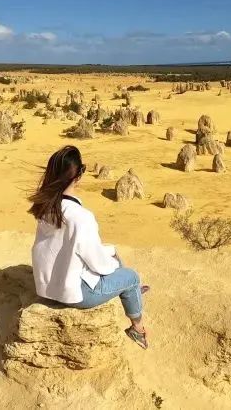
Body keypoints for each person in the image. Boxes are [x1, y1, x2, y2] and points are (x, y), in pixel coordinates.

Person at [29, 145, 150, 348]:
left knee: (112, 255)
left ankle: (131, 292)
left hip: (47, 285)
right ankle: (137, 329)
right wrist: (113, 261)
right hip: (74, 294)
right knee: (130, 276)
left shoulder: (45, 207)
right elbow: (99, 265)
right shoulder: (80, 217)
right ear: (78, 176)